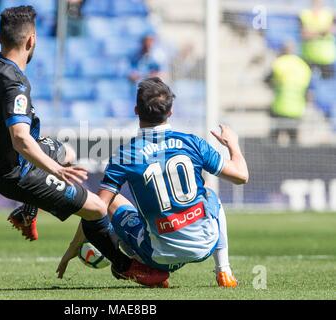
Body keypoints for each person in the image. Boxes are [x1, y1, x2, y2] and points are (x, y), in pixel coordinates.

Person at [0, 5, 168, 288]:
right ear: (31, 40)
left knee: (67, 152)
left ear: (0, 39)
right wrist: (56, 171)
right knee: (95, 209)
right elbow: (20, 139)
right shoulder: (15, 84)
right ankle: (125, 266)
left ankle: (28, 211)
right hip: (14, 171)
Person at [57, 78, 249, 288]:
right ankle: (224, 271)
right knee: (211, 196)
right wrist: (233, 145)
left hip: (158, 256)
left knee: (110, 203)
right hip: (204, 246)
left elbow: (96, 209)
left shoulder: (125, 154)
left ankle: (142, 267)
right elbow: (241, 176)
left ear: (136, 110)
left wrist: (74, 245)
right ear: (171, 112)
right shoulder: (192, 143)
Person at [265, 42, 312, 145]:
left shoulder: (279, 63)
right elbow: (309, 89)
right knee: (294, 142)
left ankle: (271, 159)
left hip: (279, 108)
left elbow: (266, 80)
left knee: (273, 140)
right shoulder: (303, 66)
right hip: (296, 109)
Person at [300, 0, 336, 79]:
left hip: (326, 58)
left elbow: (331, 30)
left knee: (327, 85)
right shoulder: (305, 14)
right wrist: (322, 32)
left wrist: (313, 32)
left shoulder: (329, 14)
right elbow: (304, 34)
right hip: (308, 57)